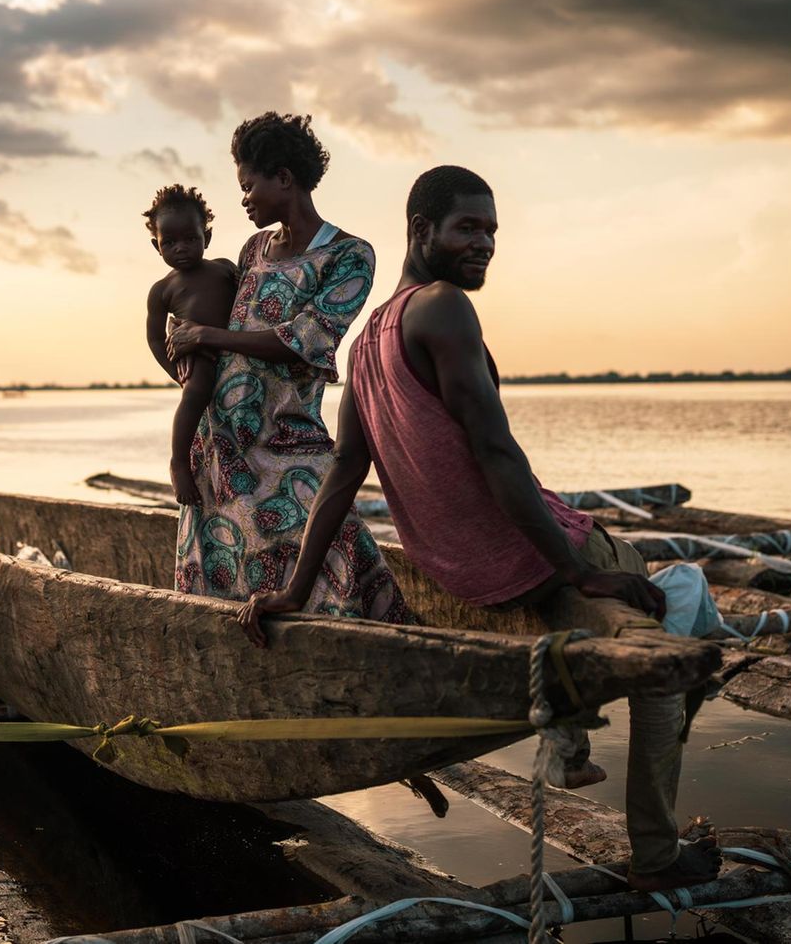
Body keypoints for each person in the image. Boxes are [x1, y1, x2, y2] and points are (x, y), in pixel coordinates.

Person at [236, 165, 720, 892]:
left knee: (656, 602)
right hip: (541, 552)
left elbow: (342, 477)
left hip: (475, 576)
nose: (485, 243)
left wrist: (293, 589)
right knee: (680, 615)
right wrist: (576, 569)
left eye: (493, 230)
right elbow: (494, 450)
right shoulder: (441, 307)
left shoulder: (368, 343)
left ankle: (569, 730)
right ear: (420, 230)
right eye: (469, 227)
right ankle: (655, 848)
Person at [165, 112, 405, 623]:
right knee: (224, 574)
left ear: (283, 178)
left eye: (248, 185)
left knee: (339, 541)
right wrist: (187, 353)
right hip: (221, 449)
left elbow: (306, 341)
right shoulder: (253, 250)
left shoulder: (349, 256)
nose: (244, 198)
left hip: (289, 442)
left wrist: (207, 335)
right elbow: (210, 342)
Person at [143, 185, 239, 504]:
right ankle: (179, 462)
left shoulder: (224, 268)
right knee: (196, 392)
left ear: (206, 238)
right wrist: (176, 373)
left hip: (236, 349)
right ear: (156, 246)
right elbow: (156, 337)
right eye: (169, 242)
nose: (180, 248)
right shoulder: (162, 290)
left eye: (190, 239)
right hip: (198, 358)